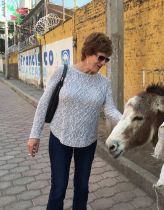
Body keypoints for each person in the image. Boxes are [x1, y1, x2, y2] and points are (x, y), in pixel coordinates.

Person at [27, 32, 122, 210]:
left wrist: (127, 121)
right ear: (88, 52)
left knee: (82, 188)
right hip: (59, 138)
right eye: (100, 58)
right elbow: (43, 104)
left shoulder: (104, 83)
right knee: (58, 188)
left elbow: (110, 110)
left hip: (87, 142)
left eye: (106, 60)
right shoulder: (63, 72)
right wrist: (34, 135)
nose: (103, 63)